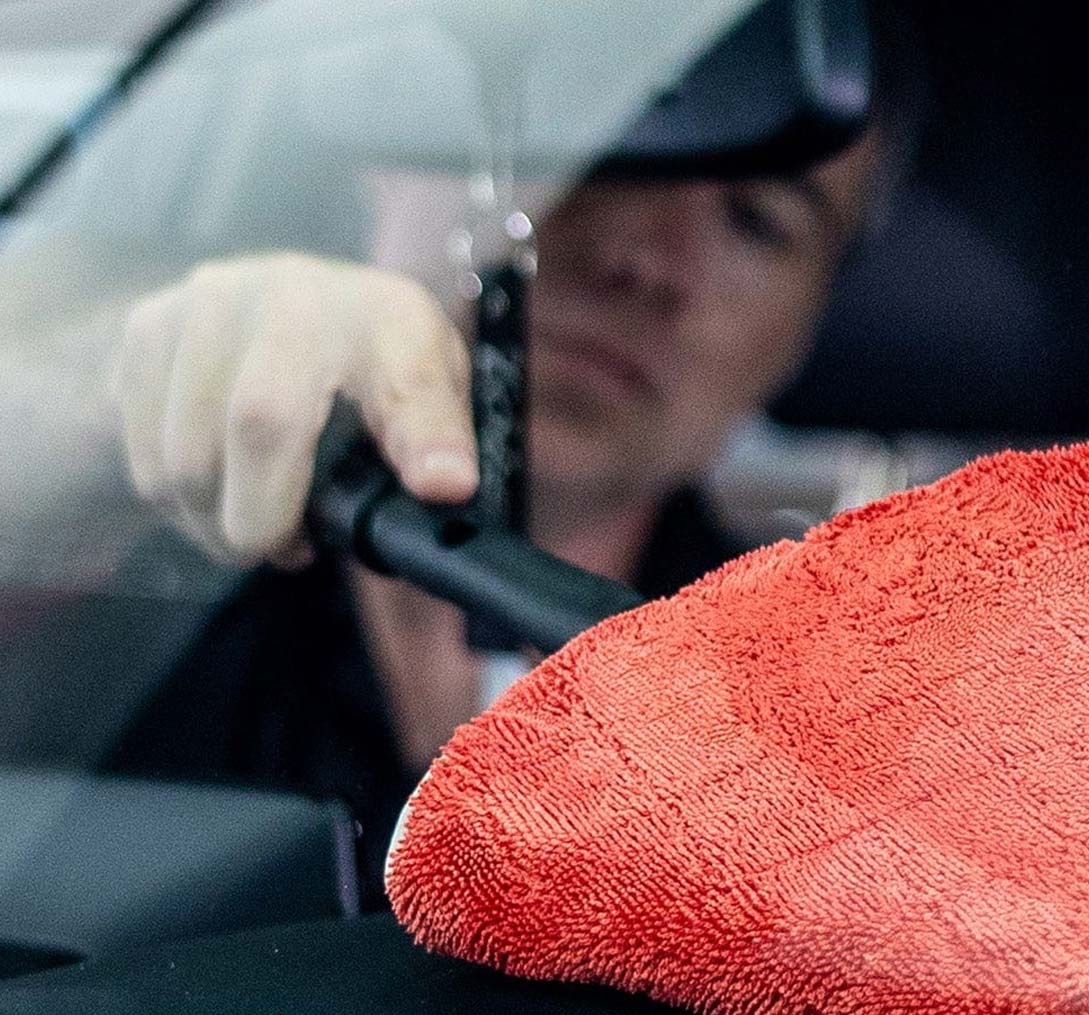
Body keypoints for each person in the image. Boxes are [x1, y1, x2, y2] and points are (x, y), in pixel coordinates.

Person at [32, 97, 901, 905]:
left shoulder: (826, 726)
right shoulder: (120, 573)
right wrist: (121, 380)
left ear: (812, 324)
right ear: (390, 175)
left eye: (757, 220)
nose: (639, 262)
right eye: (603, 152)